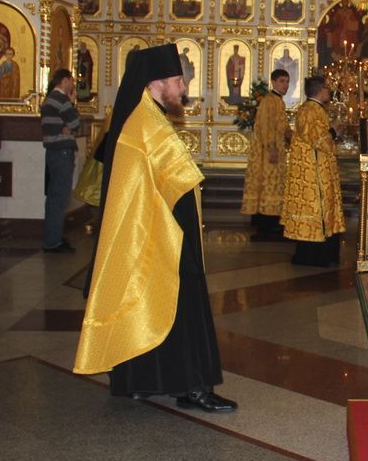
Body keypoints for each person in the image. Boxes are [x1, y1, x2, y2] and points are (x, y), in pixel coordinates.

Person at [75, 44, 236, 413]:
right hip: (162, 236)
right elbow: (179, 183)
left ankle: (139, 381)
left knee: (144, 305)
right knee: (182, 308)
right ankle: (193, 388)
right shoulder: (147, 124)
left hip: (145, 233)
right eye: (178, 80)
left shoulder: (142, 118)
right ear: (154, 84)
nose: (183, 88)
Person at [282, 76, 344, 266]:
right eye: (327, 88)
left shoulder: (313, 109)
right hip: (313, 173)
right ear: (320, 90)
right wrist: (333, 131)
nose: (329, 91)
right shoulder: (310, 110)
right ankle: (314, 256)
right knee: (317, 210)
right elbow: (318, 140)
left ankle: (323, 255)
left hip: (319, 168)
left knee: (324, 209)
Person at [241, 69, 291, 235]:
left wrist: (290, 135)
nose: (285, 85)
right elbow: (265, 126)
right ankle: (266, 223)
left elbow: (281, 125)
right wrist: (271, 148)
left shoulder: (278, 101)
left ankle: (272, 221)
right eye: (282, 81)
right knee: (268, 185)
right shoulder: (269, 101)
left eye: (287, 82)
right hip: (268, 152)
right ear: (273, 82)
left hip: (277, 149)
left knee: (275, 185)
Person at [40, 69, 81, 253]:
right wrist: (71, 104)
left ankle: (53, 236)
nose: (73, 84)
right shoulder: (61, 99)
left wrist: (67, 127)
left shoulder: (49, 99)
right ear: (64, 80)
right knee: (60, 197)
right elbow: (75, 123)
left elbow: (68, 126)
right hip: (62, 152)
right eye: (71, 80)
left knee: (54, 196)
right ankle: (53, 241)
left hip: (53, 152)